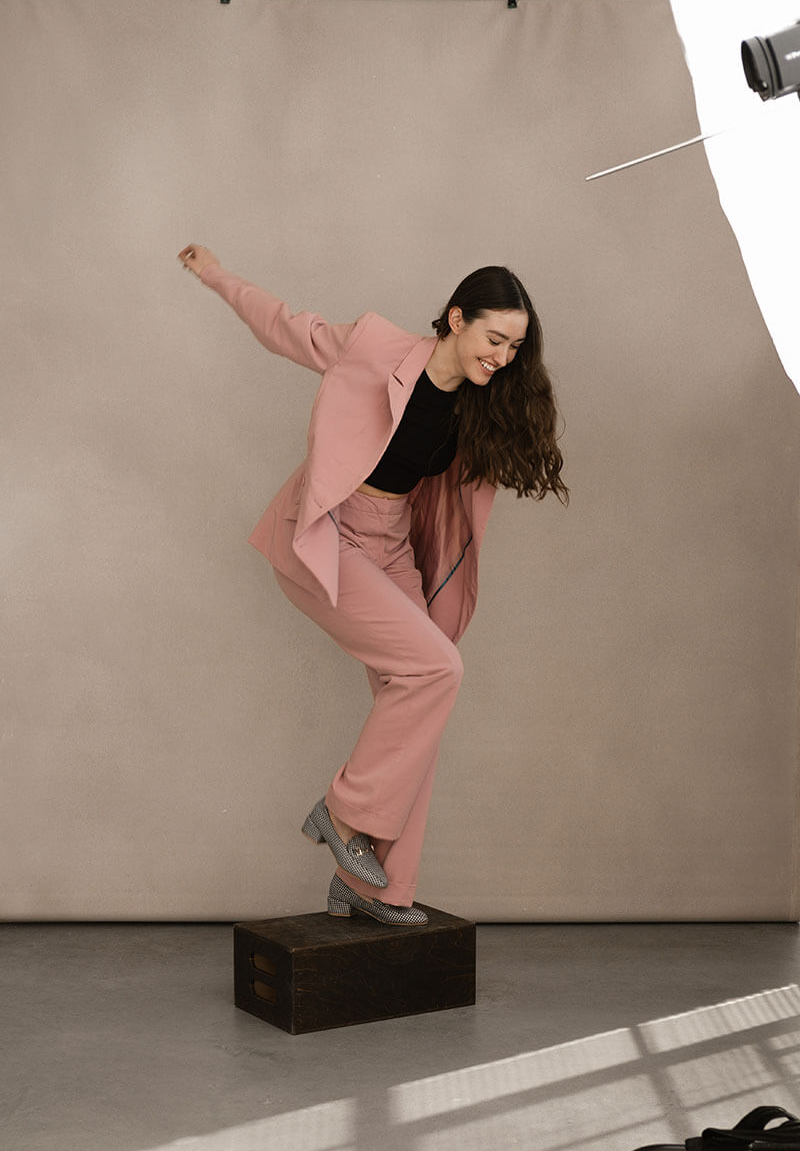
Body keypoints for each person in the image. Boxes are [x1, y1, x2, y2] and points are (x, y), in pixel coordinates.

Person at [178, 244, 568, 926]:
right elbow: (285, 326)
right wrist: (216, 275)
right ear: (456, 319)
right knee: (438, 669)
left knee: (421, 708)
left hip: (393, 546)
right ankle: (341, 812)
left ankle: (370, 888)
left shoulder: (479, 406)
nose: (504, 358)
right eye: (494, 339)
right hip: (332, 535)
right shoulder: (374, 346)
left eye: (515, 346)